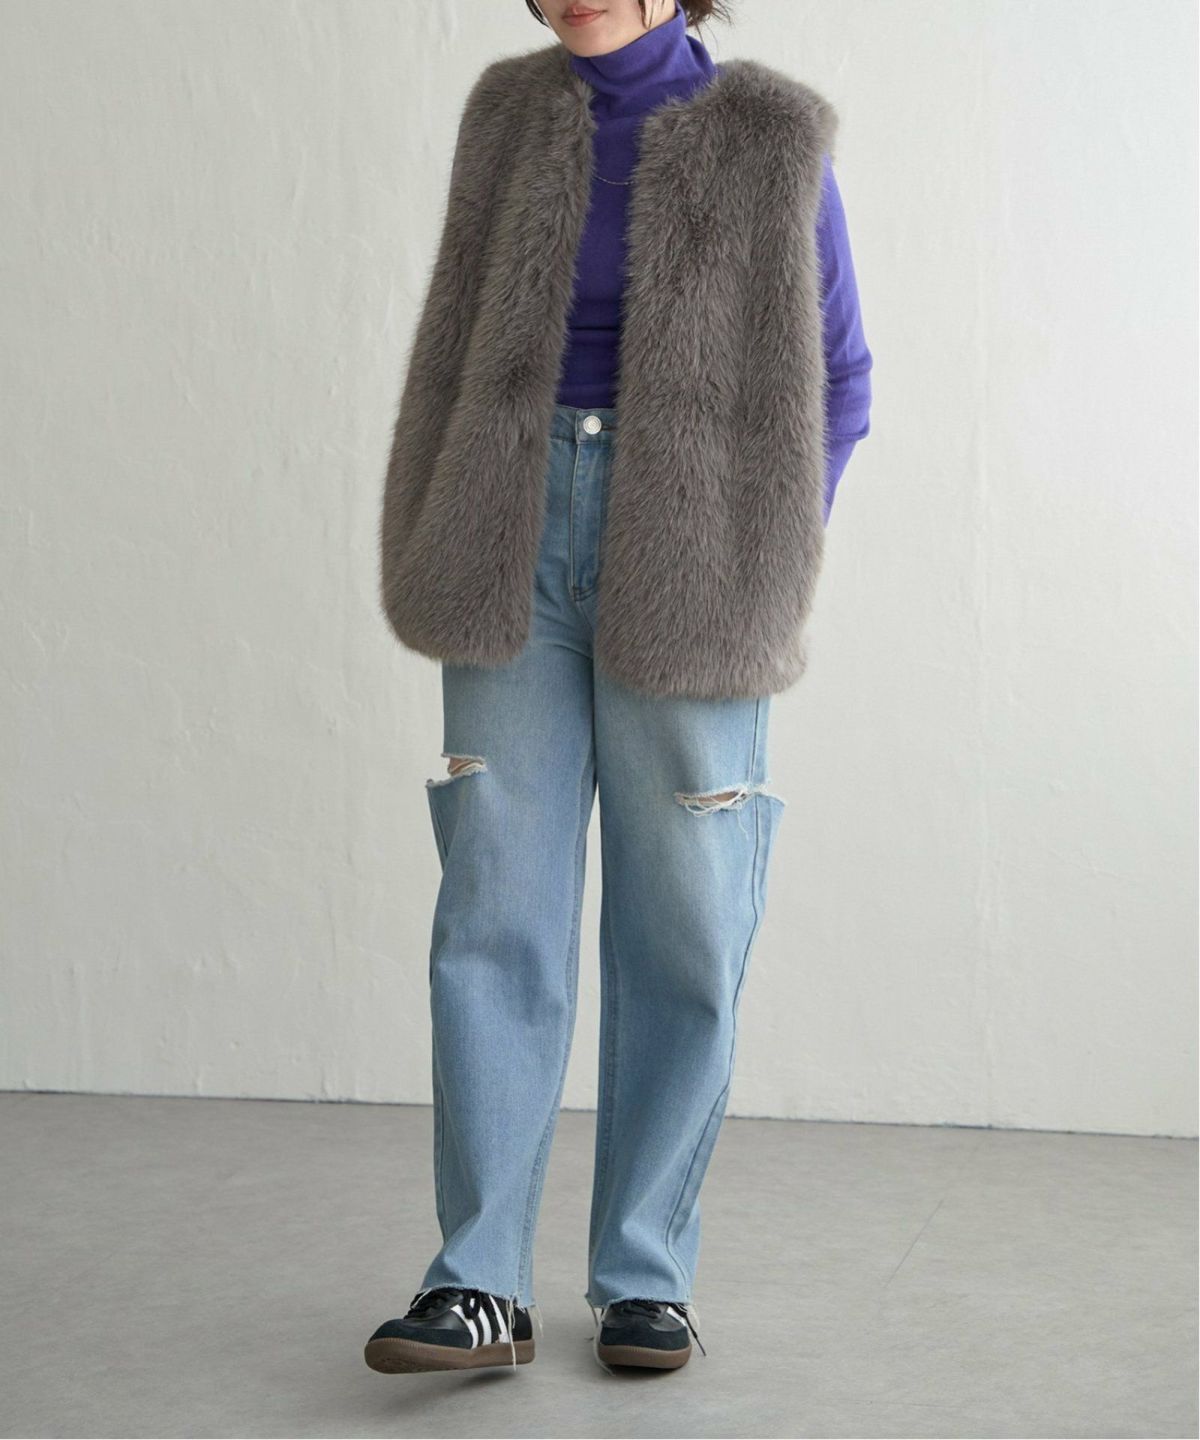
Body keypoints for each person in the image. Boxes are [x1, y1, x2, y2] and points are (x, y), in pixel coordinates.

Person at [364, 0, 872, 1377]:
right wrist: (430, 522)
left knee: (683, 924)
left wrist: (760, 557)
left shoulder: (773, 136)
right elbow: (450, 346)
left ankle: (646, 1276)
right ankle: (477, 1282)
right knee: (494, 903)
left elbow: (842, 377)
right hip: (507, 536)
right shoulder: (506, 113)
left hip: (694, 555)